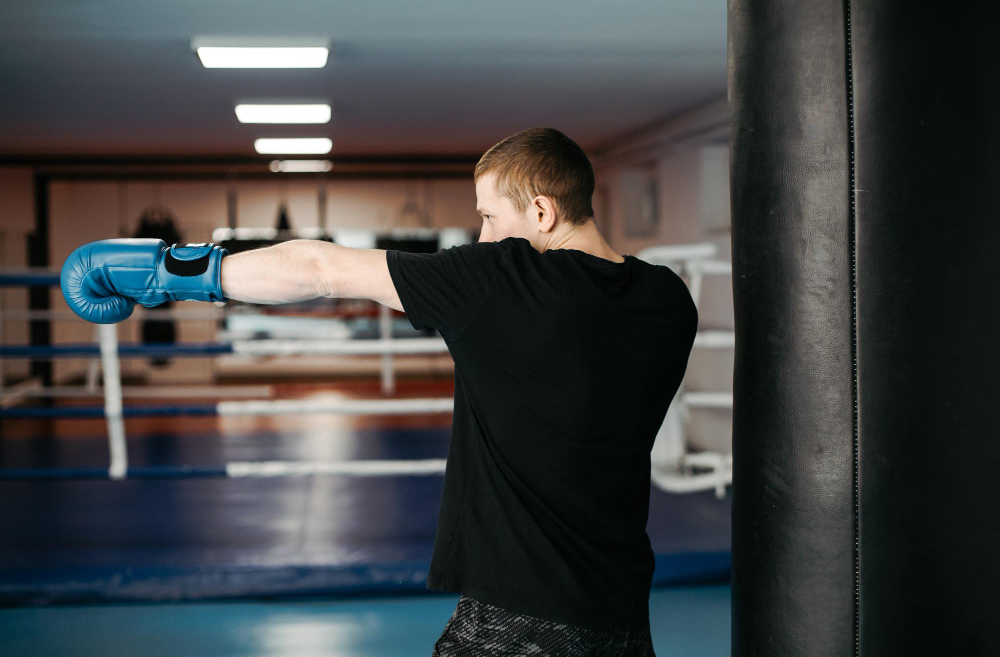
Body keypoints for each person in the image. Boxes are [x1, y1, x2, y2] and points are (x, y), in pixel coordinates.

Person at [60, 127, 697, 656]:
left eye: (487, 218)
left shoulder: (500, 280)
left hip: (522, 613)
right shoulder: (668, 300)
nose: (480, 237)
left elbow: (319, 267)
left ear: (540, 211)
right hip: (621, 610)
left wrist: (166, 272)